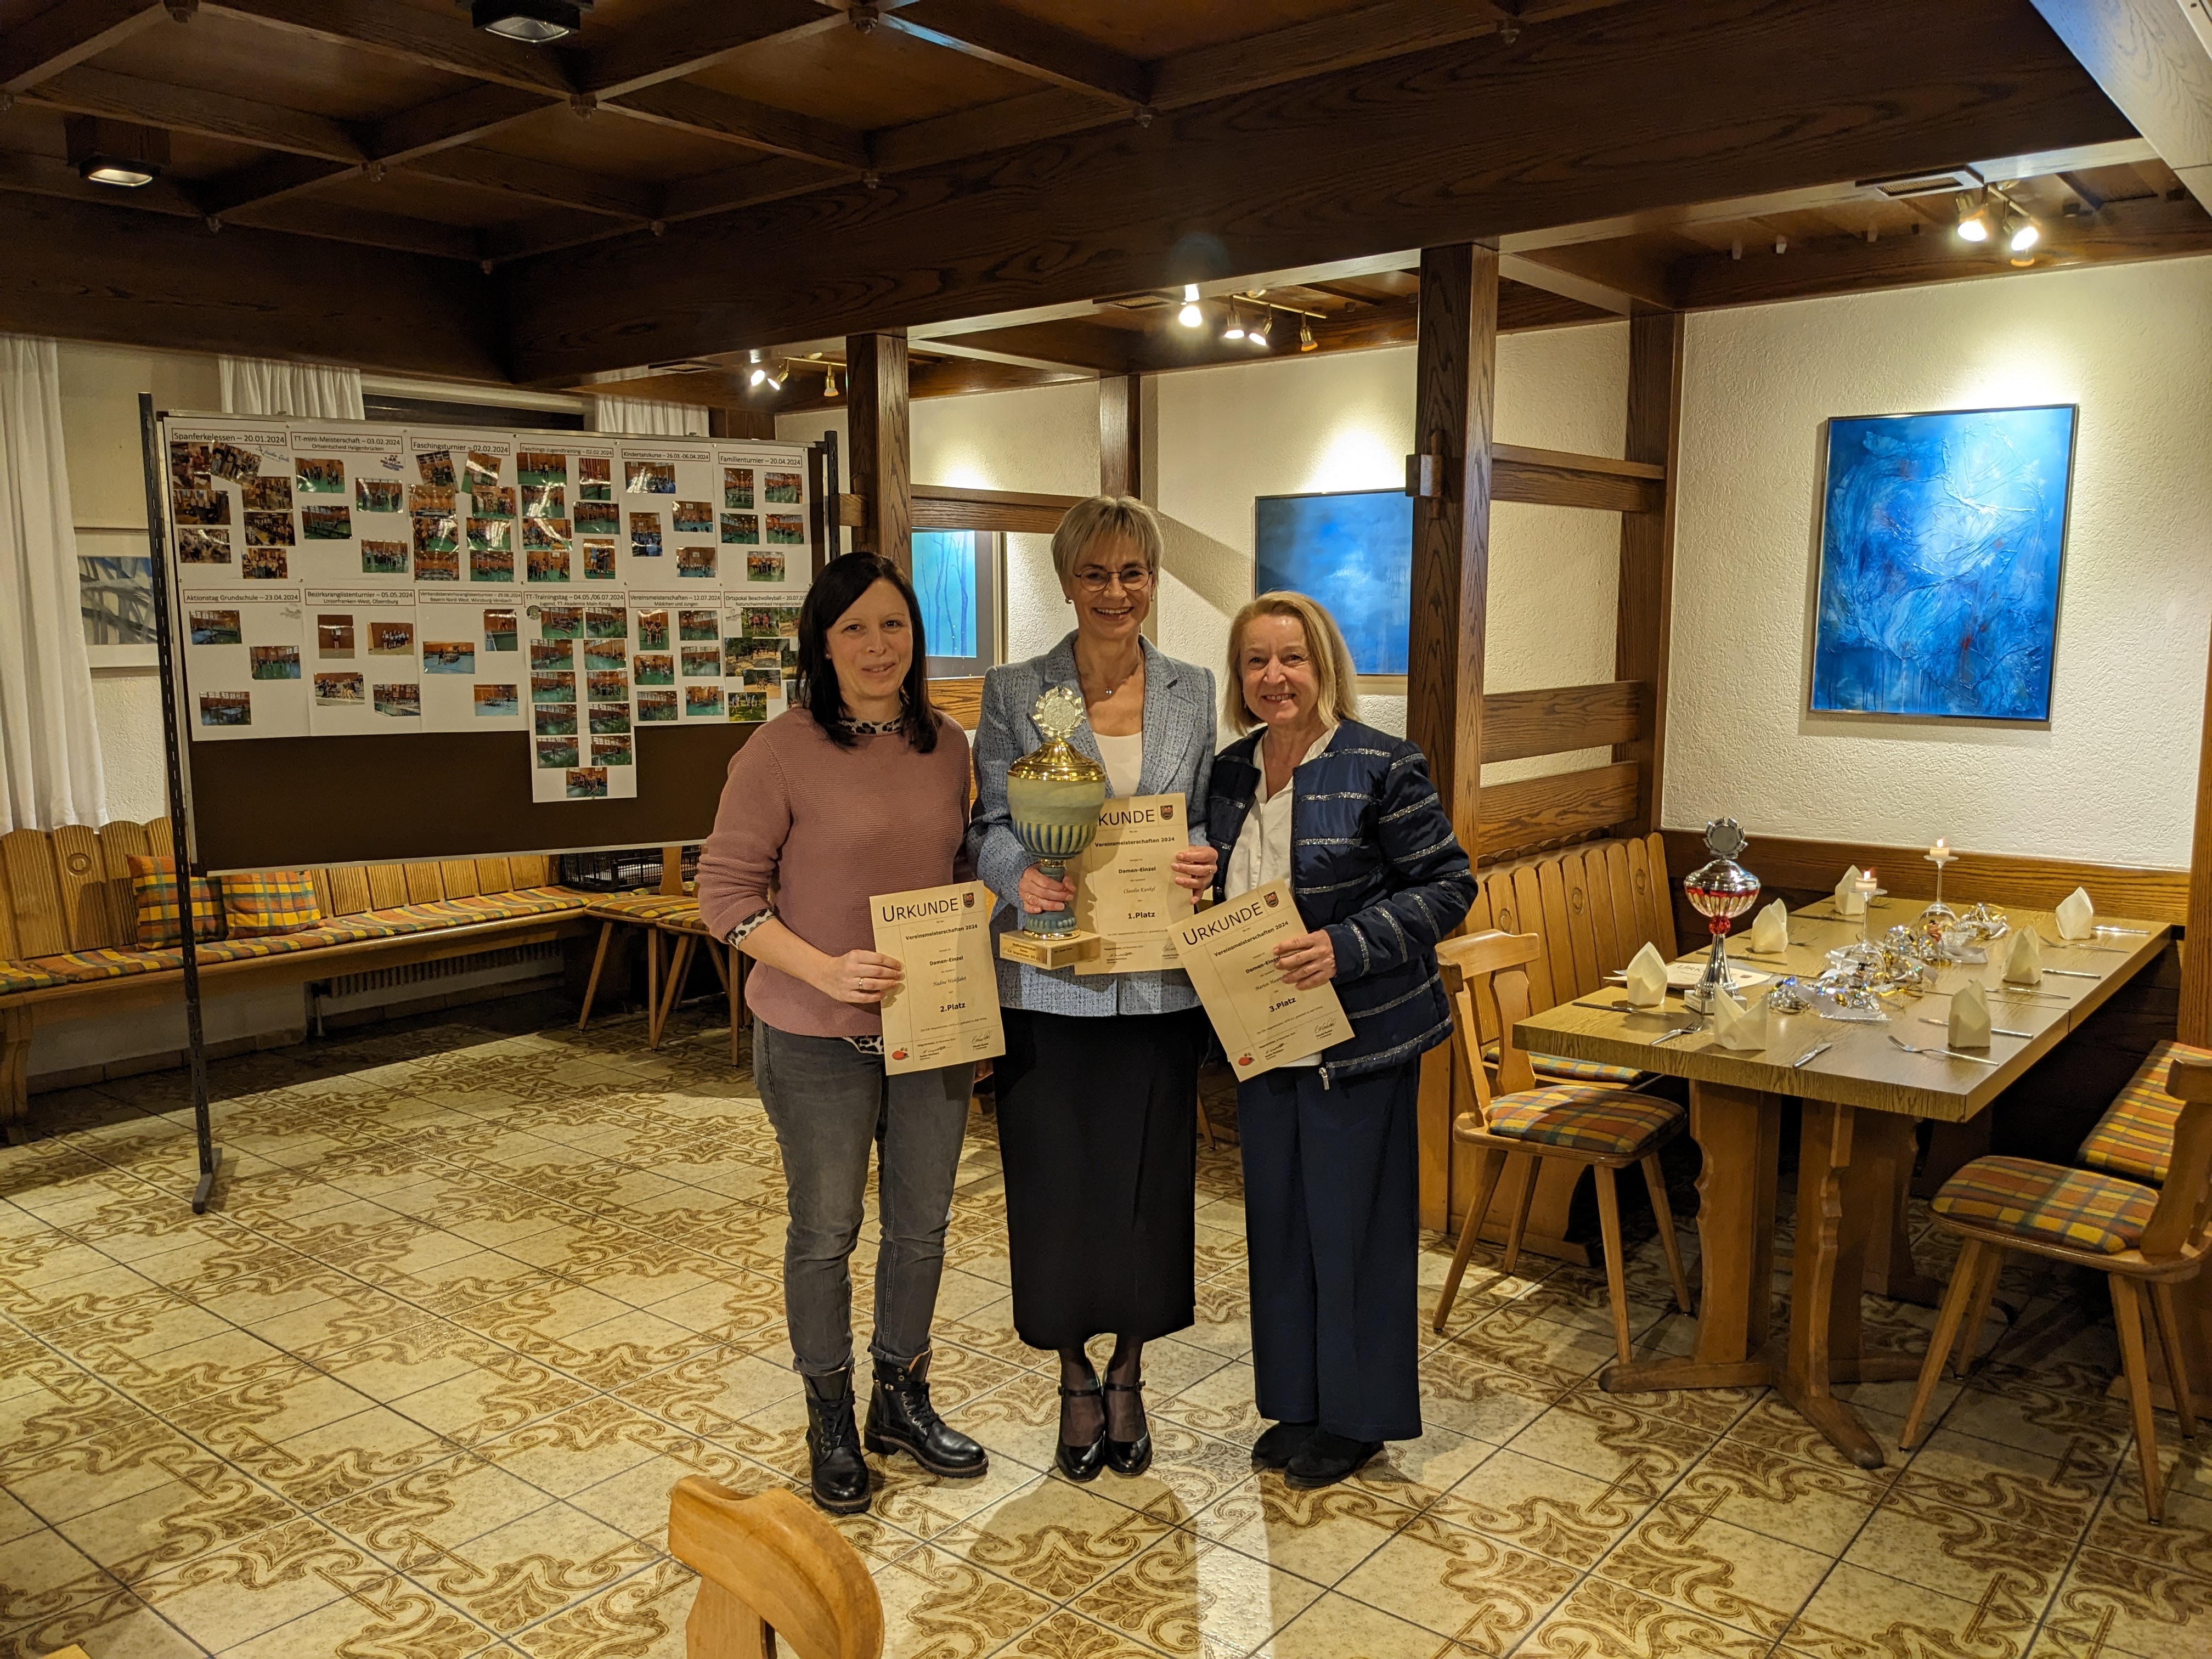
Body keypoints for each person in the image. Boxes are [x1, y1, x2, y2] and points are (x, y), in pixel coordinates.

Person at [697, 552, 986, 1515]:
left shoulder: (948, 745)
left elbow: (962, 869)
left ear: (916, 636)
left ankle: (900, 1396)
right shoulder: (777, 751)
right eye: (854, 628)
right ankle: (829, 1415)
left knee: (923, 1226)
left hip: (932, 1030)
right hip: (815, 1034)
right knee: (827, 1231)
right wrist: (823, 969)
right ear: (822, 645)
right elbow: (724, 896)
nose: (877, 645)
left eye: (893, 624)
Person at [968, 495, 1220, 1481]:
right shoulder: (1013, 688)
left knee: (1149, 1185)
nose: (1116, 592)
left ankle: (1129, 1372)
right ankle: (1074, 1375)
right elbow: (989, 822)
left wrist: (1203, 855)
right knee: (1056, 1184)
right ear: (1067, 581)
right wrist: (1014, 877)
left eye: (1133, 572)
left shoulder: (1195, 688)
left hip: (1157, 984)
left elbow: (1206, 817)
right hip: (1050, 981)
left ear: (1152, 579)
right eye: (1096, 573)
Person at [1206, 591, 1474, 1488]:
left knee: (1355, 1233)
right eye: (1255, 661)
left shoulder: (1381, 764)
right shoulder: (1230, 772)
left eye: (1292, 657)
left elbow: (1447, 886)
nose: (1274, 676)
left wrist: (1344, 946)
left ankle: (1357, 1421)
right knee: (1281, 1227)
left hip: (1358, 1042)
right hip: (1262, 1037)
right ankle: (1298, 1404)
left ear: (1323, 665)